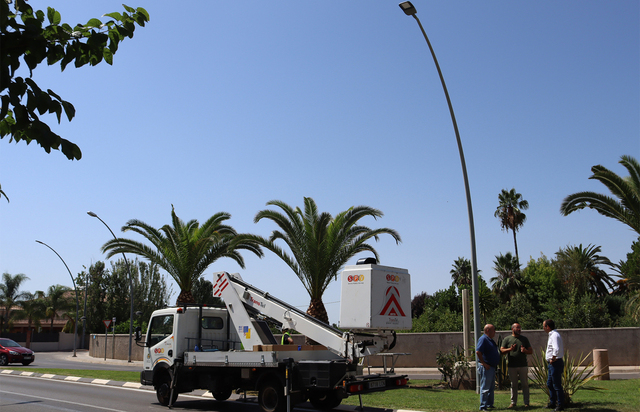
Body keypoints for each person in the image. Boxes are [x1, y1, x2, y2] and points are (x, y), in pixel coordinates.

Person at [500, 323, 533, 408]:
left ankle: (527, 402)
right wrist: (510, 349)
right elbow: (502, 350)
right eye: (517, 328)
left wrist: (525, 350)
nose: (519, 329)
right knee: (513, 384)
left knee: (525, 384)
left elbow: (530, 351)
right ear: (512, 329)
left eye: (520, 328)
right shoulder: (507, 339)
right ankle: (513, 402)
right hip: (512, 366)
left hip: (523, 365)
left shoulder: (524, 339)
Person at [476, 324, 500, 411]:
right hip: (486, 367)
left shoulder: (490, 340)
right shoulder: (483, 339)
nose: (495, 332)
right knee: (485, 387)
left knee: (491, 387)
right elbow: (478, 351)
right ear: (487, 330)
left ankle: (489, 403)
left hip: (492, 367)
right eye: (493, 330)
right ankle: (483, 406)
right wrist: (483, 363)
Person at [543, 319, 564, 411]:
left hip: (555, 363)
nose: (543, 328)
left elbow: (556, 348)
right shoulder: (552, 335)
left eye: (544, 326)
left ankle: (560, 405)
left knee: (557, 384)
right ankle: (552, 402)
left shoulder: (554, 335)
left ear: (547, 327)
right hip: (552, 363)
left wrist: (553, 358)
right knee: (550, 383)